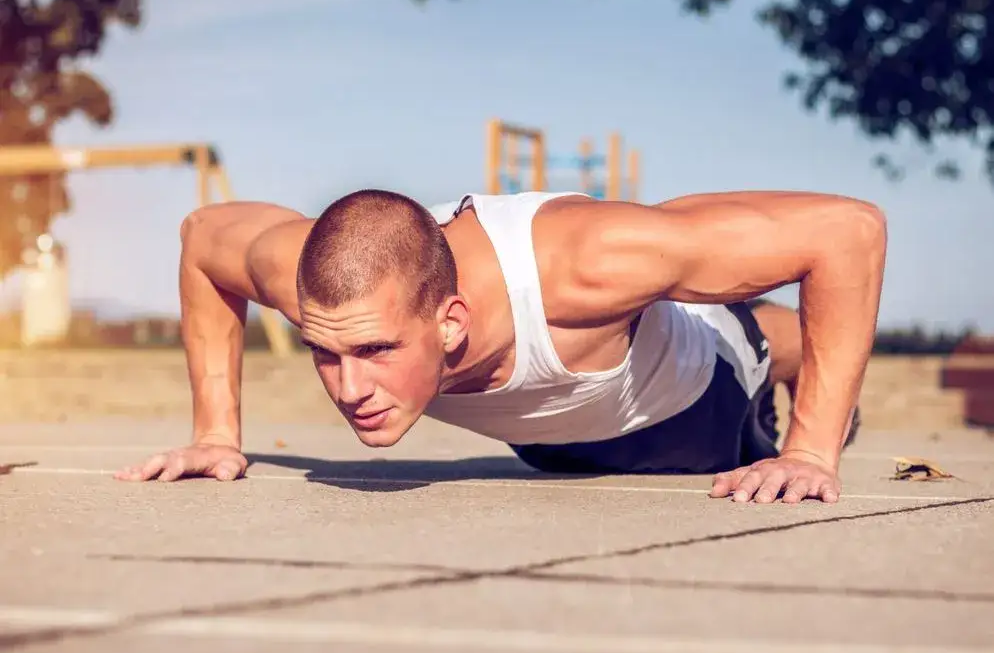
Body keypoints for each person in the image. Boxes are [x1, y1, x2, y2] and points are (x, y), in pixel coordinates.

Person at [115, 187, 887, 505]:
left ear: (451, 322)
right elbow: (205, 235)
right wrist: (216, 433)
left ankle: (793, 373)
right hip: (550, 439)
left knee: (752, 334)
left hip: (692, 410)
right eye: (326, 354)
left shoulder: (583, 265)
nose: (348, 389)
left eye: (377, 352)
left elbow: (846, 234)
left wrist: (811, 452)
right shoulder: (325, 282)